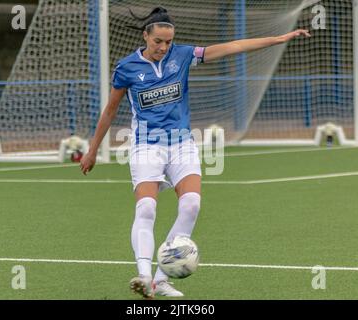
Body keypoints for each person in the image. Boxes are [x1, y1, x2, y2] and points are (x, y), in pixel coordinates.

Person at [80, 7, 311, 299]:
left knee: (191, 205)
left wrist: (279, 38)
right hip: (146, 146)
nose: (164, 47)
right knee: (147, 208)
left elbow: (233, 47)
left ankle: (161, 280)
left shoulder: (184, 55)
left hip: (181, 144)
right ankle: (143, 274)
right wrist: (92, 150)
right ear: (145, 36)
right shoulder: (126, 68)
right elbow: (110, 111)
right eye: (158, 42)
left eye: (168, 42)